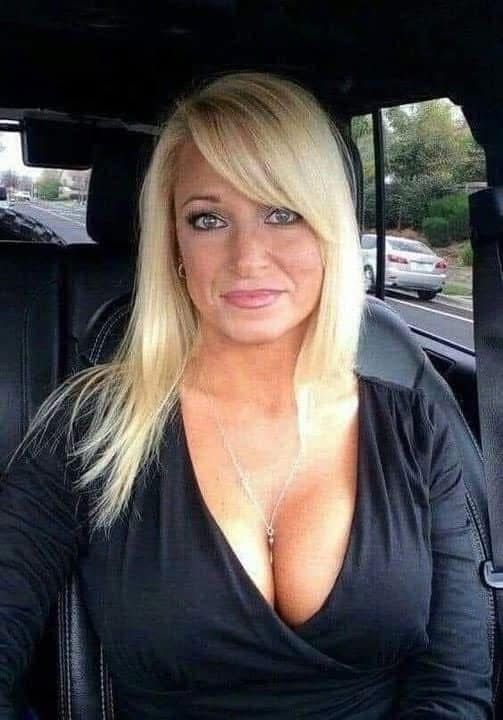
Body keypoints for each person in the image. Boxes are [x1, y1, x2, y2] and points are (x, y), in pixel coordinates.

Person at [0, 71, 493, 719]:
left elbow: (455, 681)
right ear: (174, 244)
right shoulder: (91, 425)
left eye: (282, 213)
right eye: (208, 219)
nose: (248, 257)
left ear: (329, 228)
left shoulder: (414, 426)